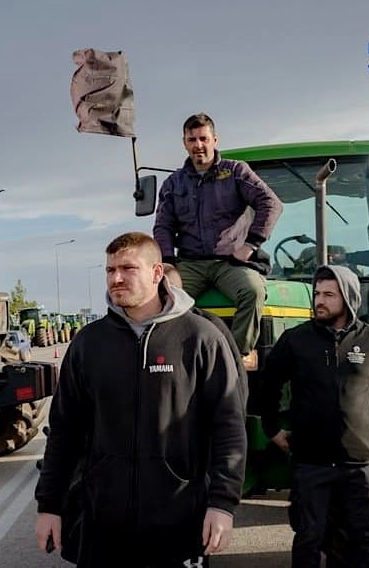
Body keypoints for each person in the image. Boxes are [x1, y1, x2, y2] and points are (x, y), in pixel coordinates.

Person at [35, 232, 246, 567]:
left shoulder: (200, 339)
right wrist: (49, 505)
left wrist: (222, 504)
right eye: (110, 270)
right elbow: (64, 431)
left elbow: (229, 429)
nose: (115, 278)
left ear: (156, 273)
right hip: (103, 523)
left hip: (178, 522)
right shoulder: (89, 343)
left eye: (128, 268)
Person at [259, 264, 369, 568]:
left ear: (349, 297)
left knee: (364, 539)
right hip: (311, 463)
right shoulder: (296, 340)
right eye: (317, 293)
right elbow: (268, 383)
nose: (319, 301)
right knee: (308, 539)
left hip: (360, 464)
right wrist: (272, 428)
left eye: (329, 294)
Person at [153, 112, 283, 358]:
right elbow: (163, 226)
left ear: (215, 140)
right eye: (192, 140)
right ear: (185, 143)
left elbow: (271, 202)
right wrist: (168, 263)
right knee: (162, 298)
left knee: (253, 291)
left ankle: (234, 356)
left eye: (203, 138)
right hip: (190, 263)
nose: (198, 145)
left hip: (229, 263)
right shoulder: (173, 183)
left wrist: (251, 244)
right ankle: (174, 359)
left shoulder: (235, 172)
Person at [164, 262, 248, 406]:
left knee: (253, 291)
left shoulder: (211, 328)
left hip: (233, 263)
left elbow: (235, 385)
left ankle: (244, 350)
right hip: (191, 261)